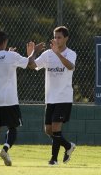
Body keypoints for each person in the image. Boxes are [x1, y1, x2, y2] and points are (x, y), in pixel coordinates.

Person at [0, 31, 44, 166]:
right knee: (13, 127)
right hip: (9, 99)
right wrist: (34, 51)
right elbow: (29, 63)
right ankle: (5, 148)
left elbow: (2, 62)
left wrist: (8, 53)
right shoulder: (11, 56)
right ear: (5, 42)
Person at [27, 26, 77, 165]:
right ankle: (68, 146)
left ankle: (53, 159)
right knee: (48, 130)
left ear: (66, 38)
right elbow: (32, 66)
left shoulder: (70, 53)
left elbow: (70, 67)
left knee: (55, 128)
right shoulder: (48, 54)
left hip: (64, 98)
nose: (56, 39)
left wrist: (58, 54)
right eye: (55, 37)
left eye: (59, 37)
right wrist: (32, 54)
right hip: (50, 98)